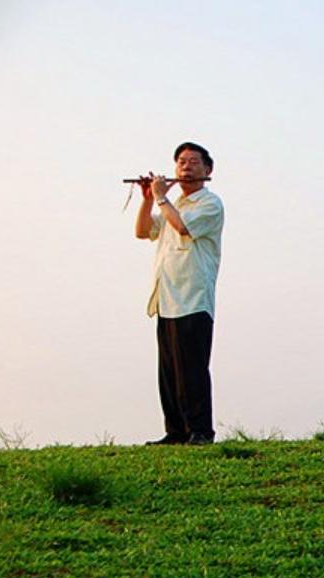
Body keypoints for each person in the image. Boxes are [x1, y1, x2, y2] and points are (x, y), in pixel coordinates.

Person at [134, 142, 224, 445]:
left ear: (207, 170)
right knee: (169, 371)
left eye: (193, 162)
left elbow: (183, 228)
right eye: (181, 162)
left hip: (193, 298)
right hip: (167, 298)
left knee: (192, 369)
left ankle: (200, 431)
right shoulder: (174, 205)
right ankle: (176, 431)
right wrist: (148, 200)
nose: (186, 167)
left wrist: (161, 197)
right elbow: (143, 231)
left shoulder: (210, 204)